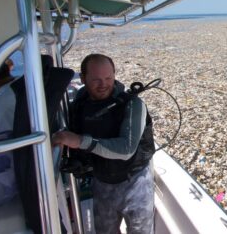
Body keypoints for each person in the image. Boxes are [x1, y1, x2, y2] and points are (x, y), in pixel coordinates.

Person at [53, 53, 155, 234]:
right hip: (102, 181)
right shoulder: (81, 102)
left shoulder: (133, 105)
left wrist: (79, 142)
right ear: (83, 78)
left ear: (115, 74)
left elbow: (126, 149)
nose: (103, 85)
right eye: (96, 80)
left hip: (135, 182)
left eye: (108, 78)